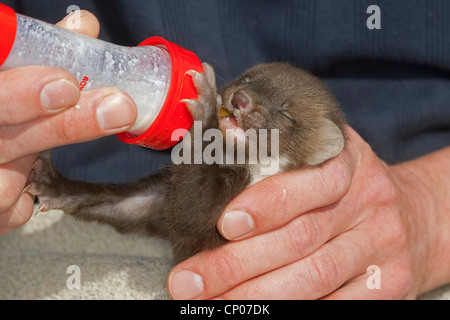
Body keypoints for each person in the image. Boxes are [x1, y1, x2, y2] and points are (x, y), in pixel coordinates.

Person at [1, 0, 449, 299]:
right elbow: (175, 208)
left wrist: (427, 213)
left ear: (316, 149)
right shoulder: (221, 151)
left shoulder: (279, 164)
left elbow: (192, 209)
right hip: (51, 183)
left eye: (286, 117)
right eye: (246, 84)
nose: (242, 98)